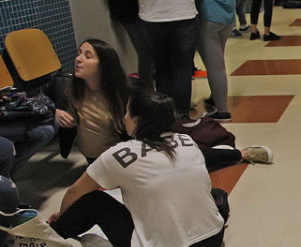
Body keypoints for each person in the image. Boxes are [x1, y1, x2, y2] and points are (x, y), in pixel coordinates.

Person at [48, 90, 227, 247]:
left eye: (126, 112)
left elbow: (75, 192)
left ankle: (49, 238)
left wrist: (63, 215)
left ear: (136, 120)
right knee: (212, 193)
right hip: (212, 241)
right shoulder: (187, 140)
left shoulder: (118, 155)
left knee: (94, 201)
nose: (124, 117)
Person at [54, 39, 272, 168]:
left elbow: (150, 131)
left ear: (104, 66)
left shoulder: (126, 93)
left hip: (131, 156)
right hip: (96, 162)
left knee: (185, 158)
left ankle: (241, 154)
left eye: (88, 56)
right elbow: (50, 108)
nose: (78, 59)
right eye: (79, 53)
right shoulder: (72, 88)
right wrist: (56, 112)